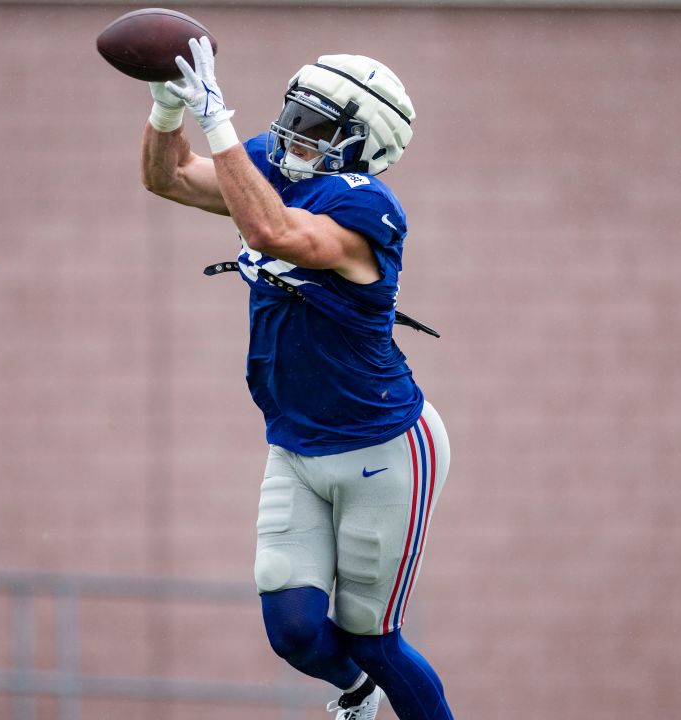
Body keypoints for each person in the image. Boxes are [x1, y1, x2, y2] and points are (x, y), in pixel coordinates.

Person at [140, 37, 453, 720]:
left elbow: (271, 231)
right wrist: (167, 110)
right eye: (294, 113)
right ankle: (358, 695)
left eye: (317, 126)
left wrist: (215, 118)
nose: (293, 134)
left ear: (361, 144)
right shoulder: (269, 165)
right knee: (293, 630)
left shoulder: (366, 208)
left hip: (382, 447)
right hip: (295, 441)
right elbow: (170, 178)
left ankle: (378, 679)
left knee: (375, 636)